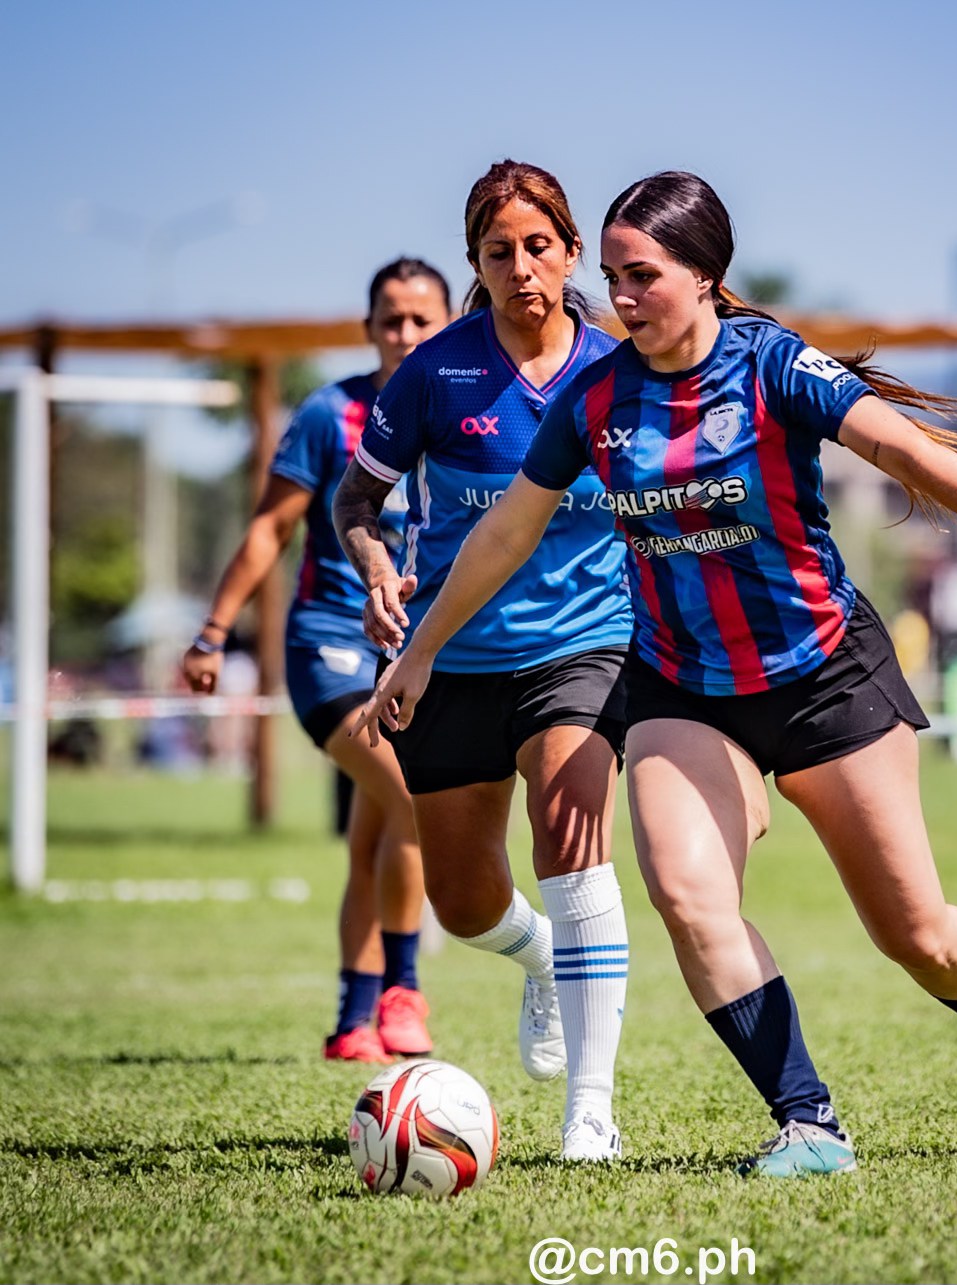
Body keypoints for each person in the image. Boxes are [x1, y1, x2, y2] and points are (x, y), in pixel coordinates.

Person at [353, 171, 957, 1177]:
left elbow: (898, 448)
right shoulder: (597, 396)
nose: (620, 298)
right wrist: (423, 645)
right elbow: (504, 533)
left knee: (917, 934)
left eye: (642, 275)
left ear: (705, 276)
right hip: (681, 686)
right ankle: (809, 1122)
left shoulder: (771, 364)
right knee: (688, 896)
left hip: (822, 675)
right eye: (611, 277)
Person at [332, 161, 632, 1163]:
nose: (520, 268)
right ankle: (544, 960)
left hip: (586, 644)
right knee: (463, 901)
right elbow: (356, 505)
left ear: (572, 250)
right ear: (476, 262)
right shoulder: (435, 372)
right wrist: (378, 569)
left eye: (537, 247)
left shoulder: (616, 370)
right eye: (498, 252)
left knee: (569, 828)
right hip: (450, 657)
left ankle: (590, 1110)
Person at [182, 257, 451, 1063]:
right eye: (390, 318)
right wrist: (211, 633)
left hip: (411, 657)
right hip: (327, 645)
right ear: (368, 326)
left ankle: (351, 1018)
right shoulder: (330, 413)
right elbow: (269, 528)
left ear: (447, 325)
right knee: (407, 799)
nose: (404, 332)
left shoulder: (462, 411)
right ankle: (405, 989)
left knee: (374, 837)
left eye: (421, 319)